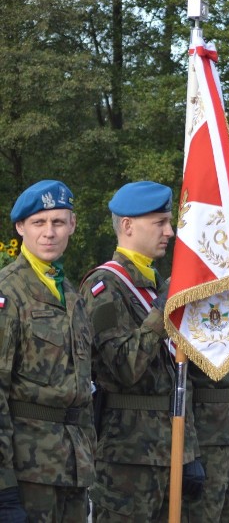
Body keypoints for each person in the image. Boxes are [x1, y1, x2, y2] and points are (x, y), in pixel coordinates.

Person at [80, 181, 204, 521]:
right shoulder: (104, 288)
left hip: (170, 450)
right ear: (128, 226)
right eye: (160, 223)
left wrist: (188, 450)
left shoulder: (155, 286)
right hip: (127, 458)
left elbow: (179, 378)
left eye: (169, 221)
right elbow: (125, 366)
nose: (171, 231)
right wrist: (163, 312)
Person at [0, 180, 95, 521]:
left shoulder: (72, 296)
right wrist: (3, 487)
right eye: (39, 223)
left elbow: (81, 389)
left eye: (58, 222)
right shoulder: (7, 292)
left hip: (73, 467)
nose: (49, 232)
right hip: (27, 470)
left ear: (72, 225)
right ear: (20, 227)